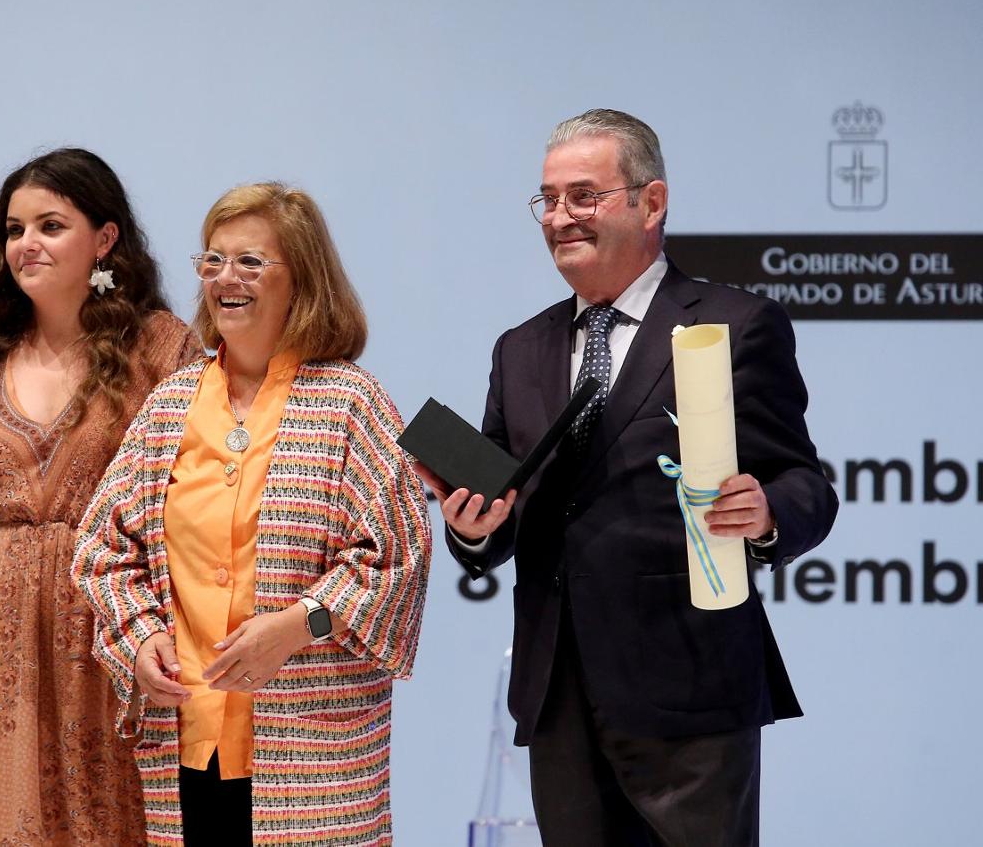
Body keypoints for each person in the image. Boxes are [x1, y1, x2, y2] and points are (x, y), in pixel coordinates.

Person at [417, 110, 838, 847]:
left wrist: (766, 510)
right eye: (547, 200)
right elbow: (499, 509)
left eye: (585, 196)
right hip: (559, 697)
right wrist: (471, 529)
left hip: (693, 692)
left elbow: (806, 483)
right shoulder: (520, 349)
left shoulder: (737, 325)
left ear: (652, 202)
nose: (559, 217)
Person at [73, 181, 430, 847]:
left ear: (302, 279)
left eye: (250, 262)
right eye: (212, 261)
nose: (225, 279)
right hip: (185, 736)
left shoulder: (351, 403)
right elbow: (103, 549)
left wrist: (300, 623)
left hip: (309, 751)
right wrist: (140, 637)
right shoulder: (171, 404)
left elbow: (395, 558)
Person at [0, 148, 201, 845]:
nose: (26, 244)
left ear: (105, 238)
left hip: (118, 635)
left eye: (50, 225)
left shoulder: (159, 347)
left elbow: (202, 501)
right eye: (14, 228)